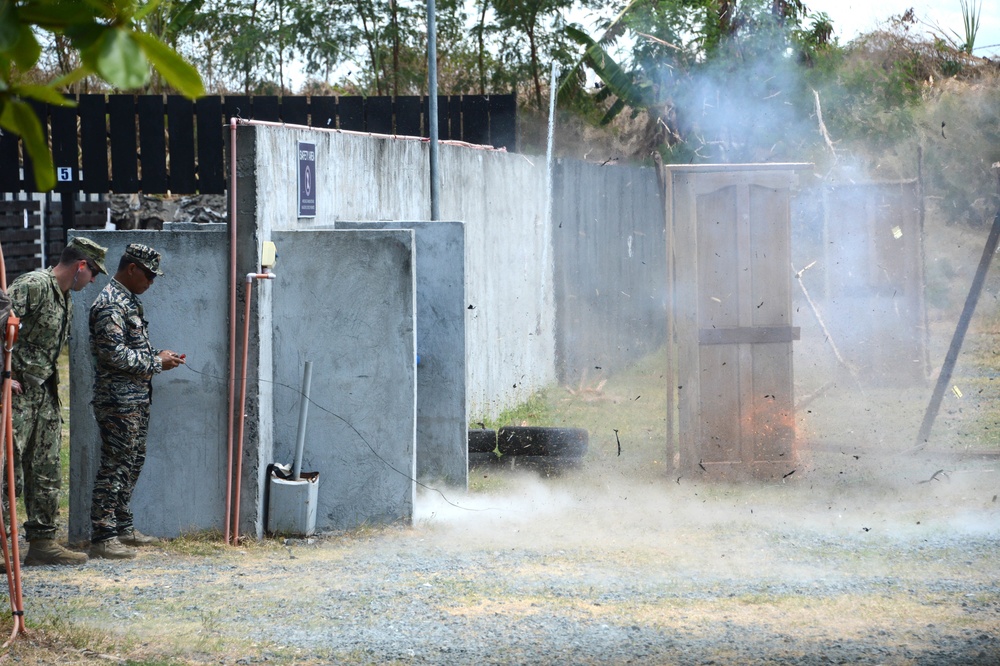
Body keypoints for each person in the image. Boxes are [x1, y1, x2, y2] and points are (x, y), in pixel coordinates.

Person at [5, 237, 108, 566]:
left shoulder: (65, 298)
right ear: (81, 266)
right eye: (93, 273)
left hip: (43, 393)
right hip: (15, 392)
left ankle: (42, 542)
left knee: (46, 469)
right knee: (7, 470)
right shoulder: (33, 286)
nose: (93, 280)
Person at [88, 243, 184, 560]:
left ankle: (123, 527)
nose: (151, 283)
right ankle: (103, 536)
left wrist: (160, 357)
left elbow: (134, 349)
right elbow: (113, 355)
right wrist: (156, 363)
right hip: (117, 402)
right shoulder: (110, 306)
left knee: (131, 463)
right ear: (132, 269)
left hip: (136, 399)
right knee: (114, 466)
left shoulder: (129, 302)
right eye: (149, 276)